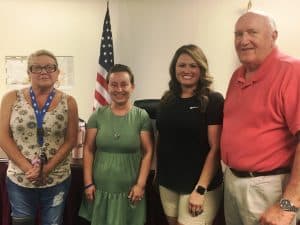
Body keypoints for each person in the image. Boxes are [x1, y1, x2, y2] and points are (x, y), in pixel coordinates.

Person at [221, 10, 300, 225]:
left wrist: (288, 207)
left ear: (273, 36)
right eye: (238, 34)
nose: (243, 40)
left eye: (252, 32)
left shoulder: (292, 71)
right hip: (232, 182)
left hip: (268, 188)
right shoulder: (237, 75)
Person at [0, 49, 79, 225]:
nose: (44, 71)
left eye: (50, 67)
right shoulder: (11, 98)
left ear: (58, 73)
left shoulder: (69, 102)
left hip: (56, 178)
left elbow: (71, 140)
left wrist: (47, 168)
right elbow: (3, 136)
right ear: (29, 73)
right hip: (20, 178)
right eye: (37, 67)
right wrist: (27, 167)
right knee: (22, 222)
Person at [156, 44, 224, 225]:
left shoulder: (213, 100)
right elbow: (162, 137)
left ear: (201, 69)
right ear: (174, 68)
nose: (187, 70)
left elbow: (216, 148)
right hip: (168, 182)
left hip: (199, 186)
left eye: (193, 66)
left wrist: (200, 189)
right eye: (182, 65)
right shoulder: (166, 99)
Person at [79, 64, 153, 225]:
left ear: (132, 87)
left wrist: (140, 185)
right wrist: (88, 183)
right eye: (114, 84)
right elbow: (89, 149)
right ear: (107, 87)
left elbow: (148, 152)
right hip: (99, 190)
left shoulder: (142, 117)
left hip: (130, 191)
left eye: (124, 84)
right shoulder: (97, 116)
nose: (119, 89)